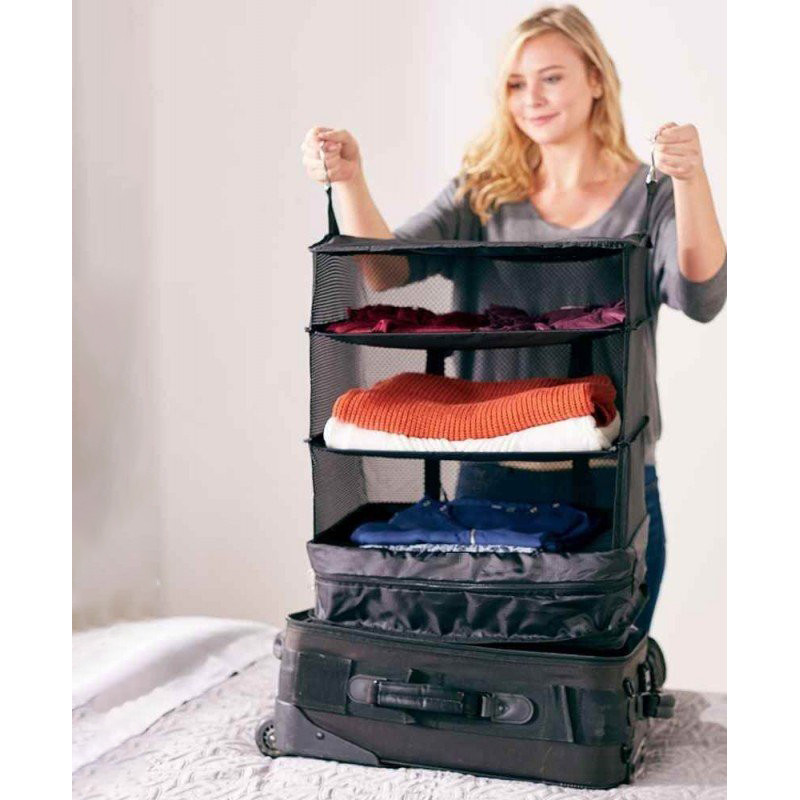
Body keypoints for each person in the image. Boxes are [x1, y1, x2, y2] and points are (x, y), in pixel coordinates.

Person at [299, 4, 726, 636]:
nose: (533, 98)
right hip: (489, 473)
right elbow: (384, 271)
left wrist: (691, 181)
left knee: (603, 664)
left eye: (551, 78)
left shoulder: (650, 195)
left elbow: (701, 295)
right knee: (497, 664)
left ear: (596, 79)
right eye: (516, 84)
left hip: (613, 478)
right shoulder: (483, 193)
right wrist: (351, 181)